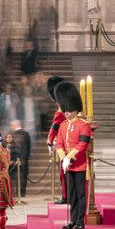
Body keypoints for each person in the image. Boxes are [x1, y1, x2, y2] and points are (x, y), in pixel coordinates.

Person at [55, 82, 92, 229]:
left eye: (69, 110)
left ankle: (80, 222)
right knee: (71, 195)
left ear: (75, 109)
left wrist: (70, 157)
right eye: (65, 110)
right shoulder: (63, 125)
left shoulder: (84, 125)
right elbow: (59, 143)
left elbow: (82, 145)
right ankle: (72, 220)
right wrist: (63, 157)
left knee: (81, 195)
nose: (67, 112)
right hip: (68, 165)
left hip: (80, 165)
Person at [46, 76, 67, 204]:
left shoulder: (60, 112)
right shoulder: (66, 109)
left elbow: (54, 129)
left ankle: (65, 196)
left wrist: (49, 141)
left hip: (62, 146)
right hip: (67, 144)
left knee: (63, 174)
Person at [11, 120, 31, 198]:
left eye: (12, 125)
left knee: (16, 177)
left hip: (15, 160)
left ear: (15, 125)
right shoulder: (27, 134)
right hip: (24, 160)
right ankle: (22, 193)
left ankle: (17, 194)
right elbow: (29, 148)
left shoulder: (12, 134)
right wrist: (26, 159)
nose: (11, 127)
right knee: (23, 177)